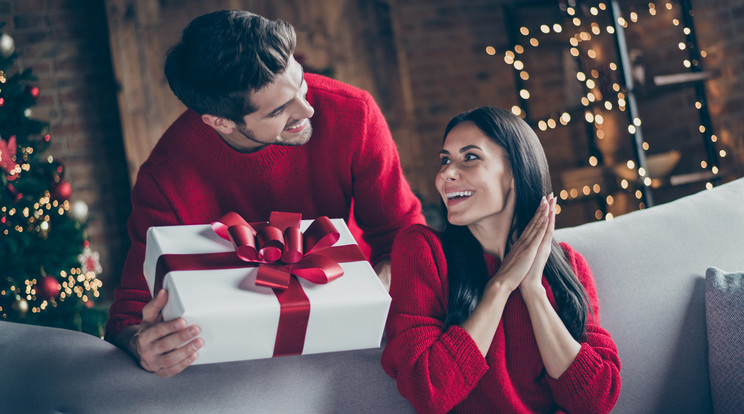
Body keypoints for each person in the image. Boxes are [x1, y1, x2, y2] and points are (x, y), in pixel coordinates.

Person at [105, 9, 424, 378]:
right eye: (278, 109)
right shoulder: (166, 180)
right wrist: (142, 345)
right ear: (220, 121)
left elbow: (404, 235)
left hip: (358, 333)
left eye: (300, 83)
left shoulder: (353, 113)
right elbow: (128, 316)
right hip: (240, 358)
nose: (307, 108)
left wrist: (367, 300)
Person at [381, 106, 621, 413]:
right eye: (445, 160)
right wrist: (501, 286)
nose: (445, 174)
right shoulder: (422, 249)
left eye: (470, 157)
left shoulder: (569, 266)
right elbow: (428, 390)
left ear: (514, 172)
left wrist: (533, 290)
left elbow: (596, 402)